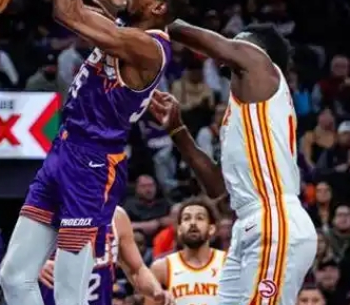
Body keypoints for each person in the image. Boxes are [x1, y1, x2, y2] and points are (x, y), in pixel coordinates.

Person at [0, 0, 188, 305]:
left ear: (158, 9)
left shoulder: (147, 47)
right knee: (14, 277)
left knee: (70, 293)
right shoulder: (130, 17)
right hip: (65, 148)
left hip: (94, 163)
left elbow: (67, 11)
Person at [150, 20, 317, 305]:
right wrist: (177, 130)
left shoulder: (263, 68)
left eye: (239, 41)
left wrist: (156, 20)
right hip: (248, 225)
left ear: (259, 52)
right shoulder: (243, 116)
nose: (230, 46)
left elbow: (218, 46)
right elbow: (218, 189)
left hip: (274, 218)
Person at [39, 206, 171, 305]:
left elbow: (137, 270)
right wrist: (37, 266)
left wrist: (156, 290)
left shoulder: (117, 217)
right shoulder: (45, 213)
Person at [146, 198, 225, 305]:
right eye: (187, 218)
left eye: (200, 218)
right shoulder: (161, 268)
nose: (193, 223)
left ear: (211, 229)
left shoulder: (229, 264)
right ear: (179, 229)